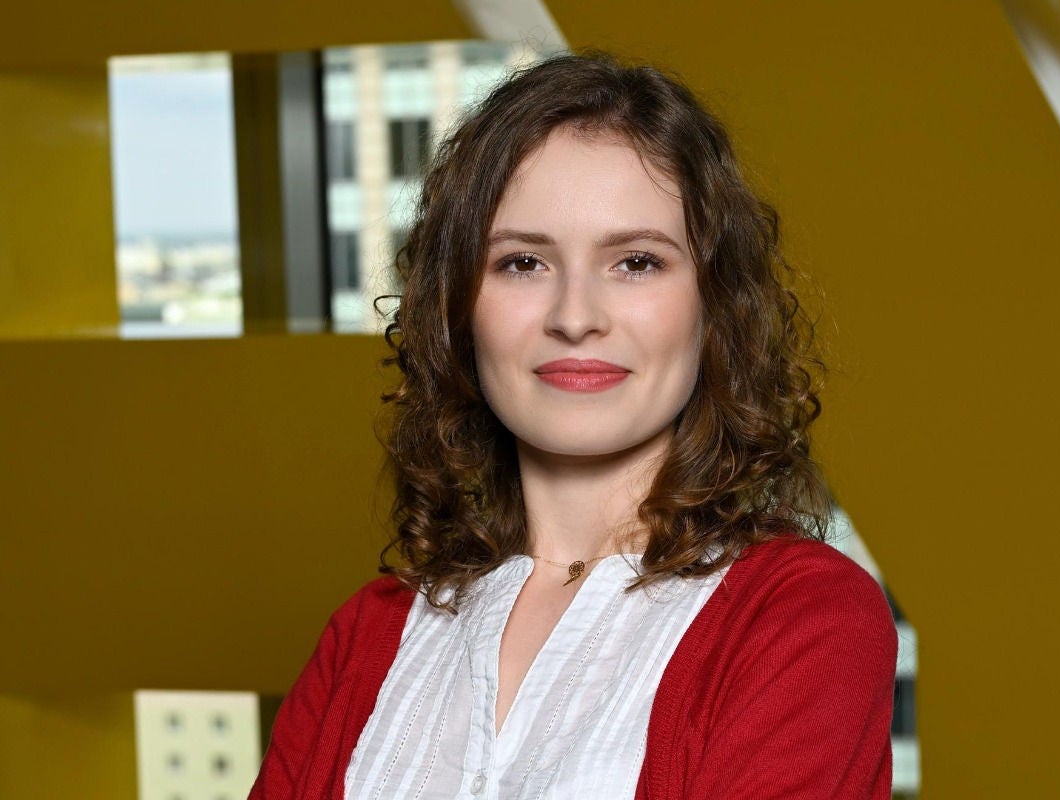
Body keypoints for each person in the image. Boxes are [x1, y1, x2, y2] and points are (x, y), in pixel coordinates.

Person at [251, 52, 896, 799]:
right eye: (523, 263)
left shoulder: (803, 619)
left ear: (715, 307)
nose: (575, 316)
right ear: (458, 308)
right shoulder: (365, 636)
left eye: (637, 262)